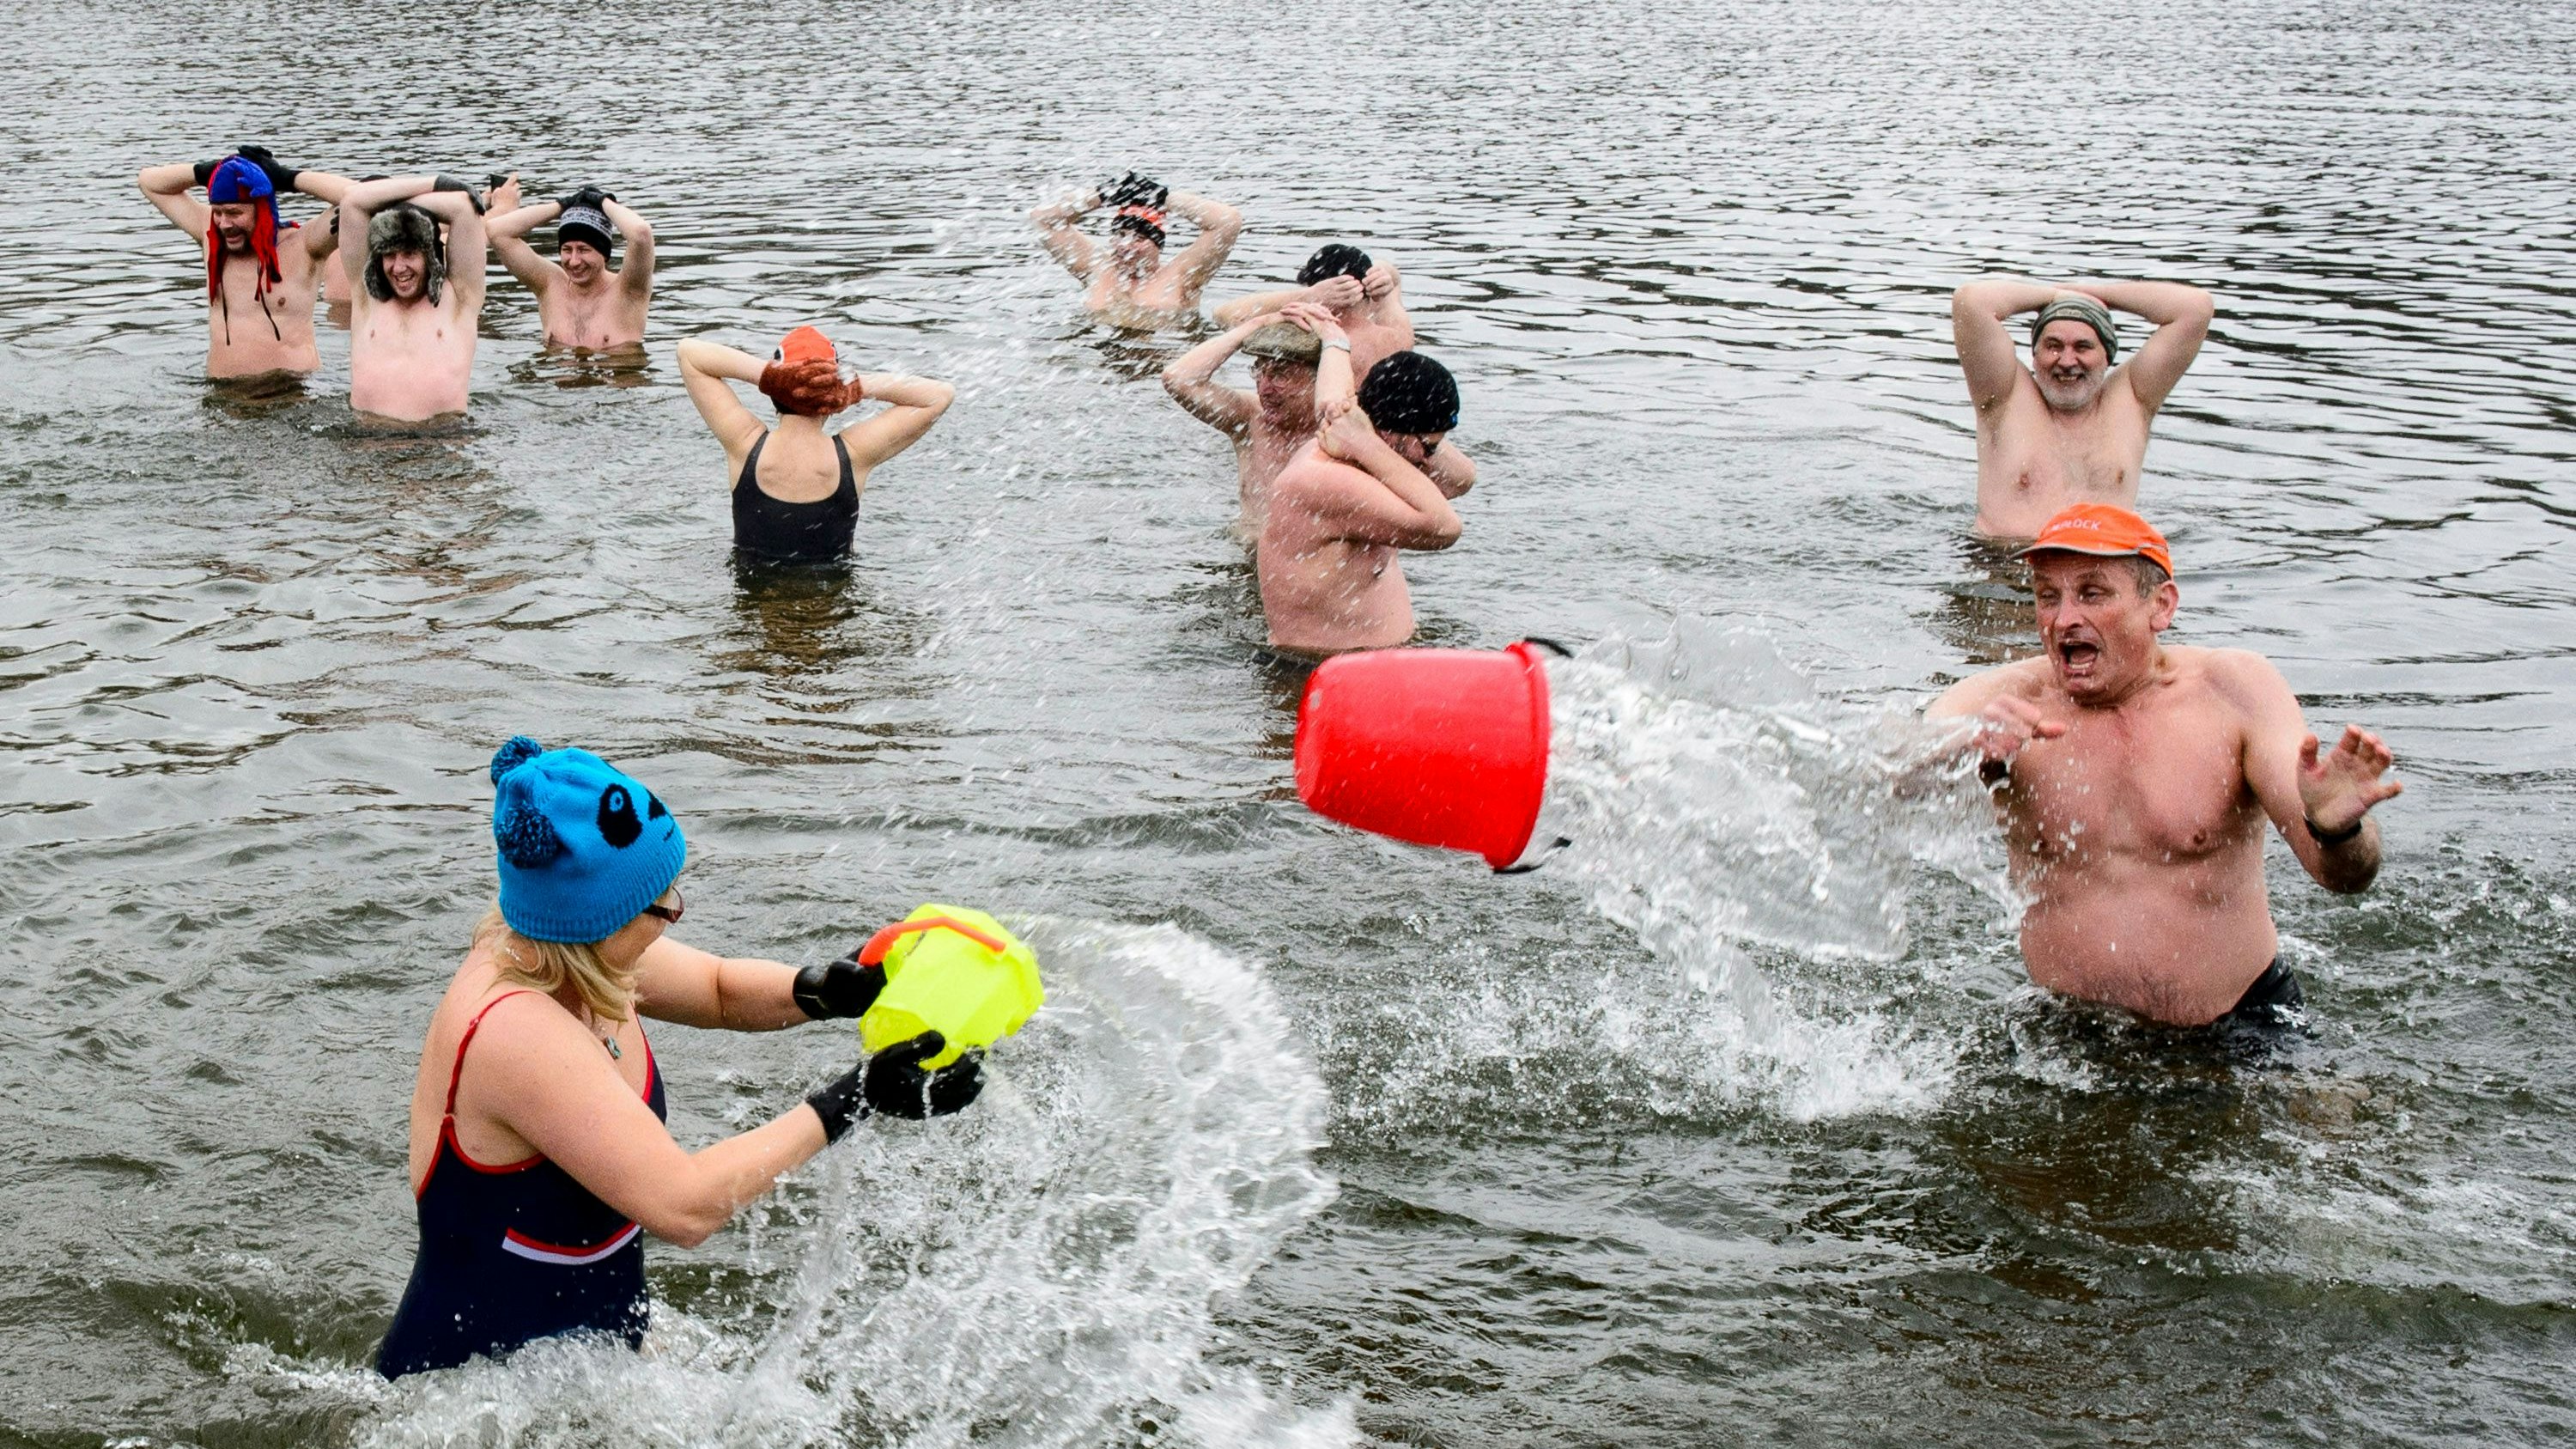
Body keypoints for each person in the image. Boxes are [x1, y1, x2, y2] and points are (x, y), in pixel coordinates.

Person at [379, 737, 986, 1379]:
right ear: (596, 918)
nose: (676, 912)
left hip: (589, 1365)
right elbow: (686, 1205)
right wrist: (858, 1096)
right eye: (659, 904)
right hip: (467, 1395)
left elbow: (720, 990)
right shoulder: (515, 1031)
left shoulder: (580, 953)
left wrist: (831, 990)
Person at [1927, 504, 2402, 1038]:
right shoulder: (2004, 702)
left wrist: (2336, 826)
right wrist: (1961, 746)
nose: (2062, 620)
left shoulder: (2234, 693)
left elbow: (2344, 878)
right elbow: (1888, 768)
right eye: (2047, 596)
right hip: (2070, 1035)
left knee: (2342, 1114)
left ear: (2161, 605)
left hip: (2244, 1024)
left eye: (2092, 593)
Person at [1950, 276, 2216, 539]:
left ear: (2106, 355)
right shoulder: (2005, 398)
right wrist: (2056, 296)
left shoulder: (2134, 400)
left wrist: (2095, 294)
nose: (2066, 361)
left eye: (2083, 347)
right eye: (2053, 346)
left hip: (2105, 569)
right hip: (2004, 566)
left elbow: (2196, 307)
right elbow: (1971, 302)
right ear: (2035, 354)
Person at [675, 327, 955, 565]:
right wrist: (853, 384)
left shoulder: (744, 443)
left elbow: (689, 353)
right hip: (829, 618)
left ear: (776, 392)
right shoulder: (854, 454)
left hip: (757, 617)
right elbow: (939, 395)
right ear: (832, 400)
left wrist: (773, 376)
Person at [1259, 350, 1466, 656]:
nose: (1428, 460)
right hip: (1316, 673)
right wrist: (1366, 443)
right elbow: (1445, 529)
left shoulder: (1369, 463)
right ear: (1388, 433)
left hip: (1367, 666)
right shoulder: (1322, 479)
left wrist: (1365, 435)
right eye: (1428, 448)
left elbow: (1461, 479)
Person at [136, 145, 352, 379]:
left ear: (262, 208)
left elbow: (361, 197)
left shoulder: (305, 245)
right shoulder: (210, 235)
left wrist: (287, 178)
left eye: (234, 212)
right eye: (217, 212)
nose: (224, 223)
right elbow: (148, 182)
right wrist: (211, 170)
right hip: (223, 397)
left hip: (288, 395)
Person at [1160, 303, 1355, 538]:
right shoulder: (1249, 419)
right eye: (1259, 371)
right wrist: (1257, 324)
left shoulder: (1345, 430)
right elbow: (1178, 378)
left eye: (1280, 375)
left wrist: (1334, 341)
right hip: (1248, 559)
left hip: (1311, 568)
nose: (1264, 388)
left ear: (1318, 379)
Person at [339, 175, 489, 423]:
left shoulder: (459, 298)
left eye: (410, 254)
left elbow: (463, 207)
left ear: (430, 257)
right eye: (389, 255)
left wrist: (400, 207)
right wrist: (436, 183)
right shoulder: (368, 296)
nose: (399, 268)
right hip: (368, 443)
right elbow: (352, 202)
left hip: (440, 441)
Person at [1030, 172, 1242, 331]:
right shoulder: (1098, 268)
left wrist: (1162, 196)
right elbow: (1044, 219)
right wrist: (1103, 195)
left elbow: (1227, 222)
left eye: (1139, 239)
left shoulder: (1182, 276)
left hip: (1160, 360)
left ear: (1157, 245)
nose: (1126, 246)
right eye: (1120, 235)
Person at [484, 177, 656, 350]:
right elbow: (496, 231)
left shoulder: (629, 291)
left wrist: (603, 201)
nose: (573, 261)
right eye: (567, 250)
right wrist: (562, 205)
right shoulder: (549, 285)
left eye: (583, 250)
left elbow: (641, 234)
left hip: (616, 374)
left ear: (604, 254)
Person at [1212, 243, 1415, 377]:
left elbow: (1224, 314)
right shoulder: (1397, 336)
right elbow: (1393, 282)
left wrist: (1306, 297)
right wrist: (1382, 273)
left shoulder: (1308, 342)